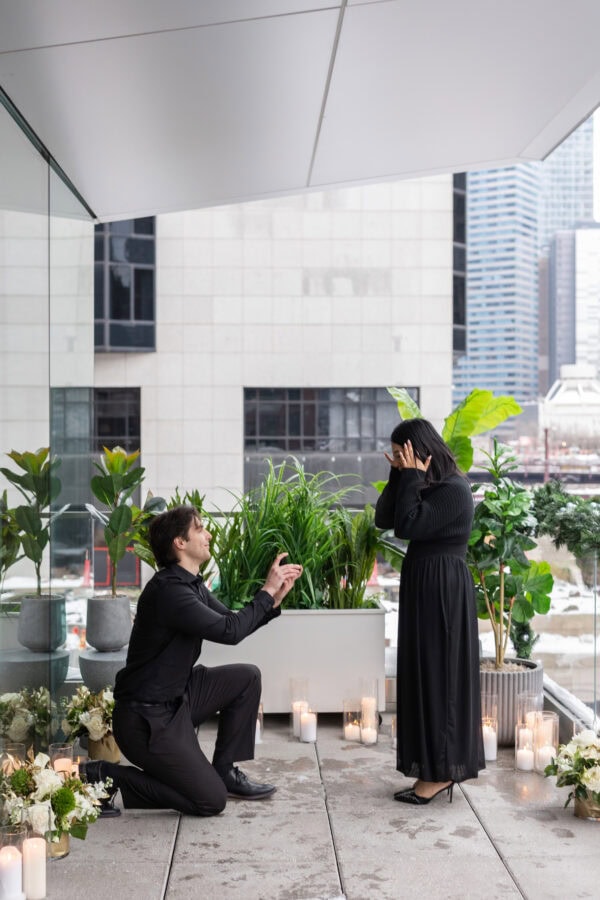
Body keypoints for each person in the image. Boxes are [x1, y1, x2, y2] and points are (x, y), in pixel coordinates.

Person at [82, 505, 303, 816]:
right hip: (146, 720)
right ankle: (106, 774)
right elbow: (230, 632)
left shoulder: (190, 584)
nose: (208, 534)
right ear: (180, 542)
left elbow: (231, 622)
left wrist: (273, 601)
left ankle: (224, 771)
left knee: (247, 677)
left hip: (178, 699)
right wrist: (265, 590)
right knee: (210, 800)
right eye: (200, 529)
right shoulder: (169, 592)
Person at [374, 418, 484, 805]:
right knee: (422, 674)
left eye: (402, 453)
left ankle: (443, 771)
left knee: (441, 676)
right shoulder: (425, 483)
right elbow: (384, 518)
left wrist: (411, 477)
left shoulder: (454, 488)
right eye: (395, 455)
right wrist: (398, 475)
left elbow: (408, 525)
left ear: (420, 450)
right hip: (424, 584)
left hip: (443, 589)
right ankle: (431, 766)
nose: (398, 459)